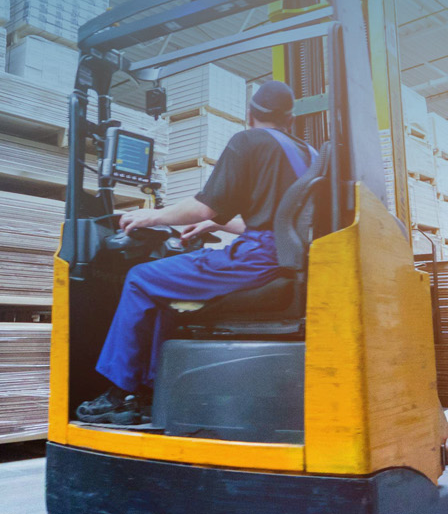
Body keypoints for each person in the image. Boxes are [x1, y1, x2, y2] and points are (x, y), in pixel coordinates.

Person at [76, 80, 315, 426]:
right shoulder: (308, 155)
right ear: (290, 119)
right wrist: (214, 226)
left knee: (141, 278)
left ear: (249, 114)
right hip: (280, 258)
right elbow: (280, 225)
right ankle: (152, 391)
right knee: (165, 289)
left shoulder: (249, 141)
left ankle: (116, 393)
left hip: (256, 259)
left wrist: (150, 216)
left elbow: (205, 206)